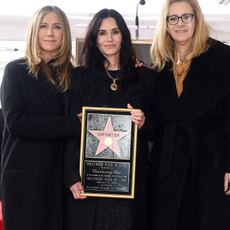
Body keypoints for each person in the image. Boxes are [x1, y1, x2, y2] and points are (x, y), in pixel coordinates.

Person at [63, 8, 156, 230]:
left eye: (115, 32)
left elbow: (157, 128)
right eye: (102, 33)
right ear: (95, 39)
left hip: (131, 186)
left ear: (124, 35)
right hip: (89, 183)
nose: (110, 39)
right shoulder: (78, 77)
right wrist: (70, 175)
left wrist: (144, 123)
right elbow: (70, 130)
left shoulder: (146, 77)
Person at [149, 0, 230, 230]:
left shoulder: (223, 57)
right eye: (172, 18)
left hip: (209, 161)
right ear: (165, 24)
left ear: (197, 19)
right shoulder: (159, 63)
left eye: (186, 17)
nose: (180, 23)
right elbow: (155, 124)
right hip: (168, 164)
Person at [0, 6, 81, 230]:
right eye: (43, 26)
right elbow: (16, 122)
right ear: (34, 31)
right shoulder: (15, 71)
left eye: (57, 27)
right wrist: (74, 124)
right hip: (25, 182)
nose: (50, 33)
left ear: (64, 33)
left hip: (61, 181)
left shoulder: (73, 75)